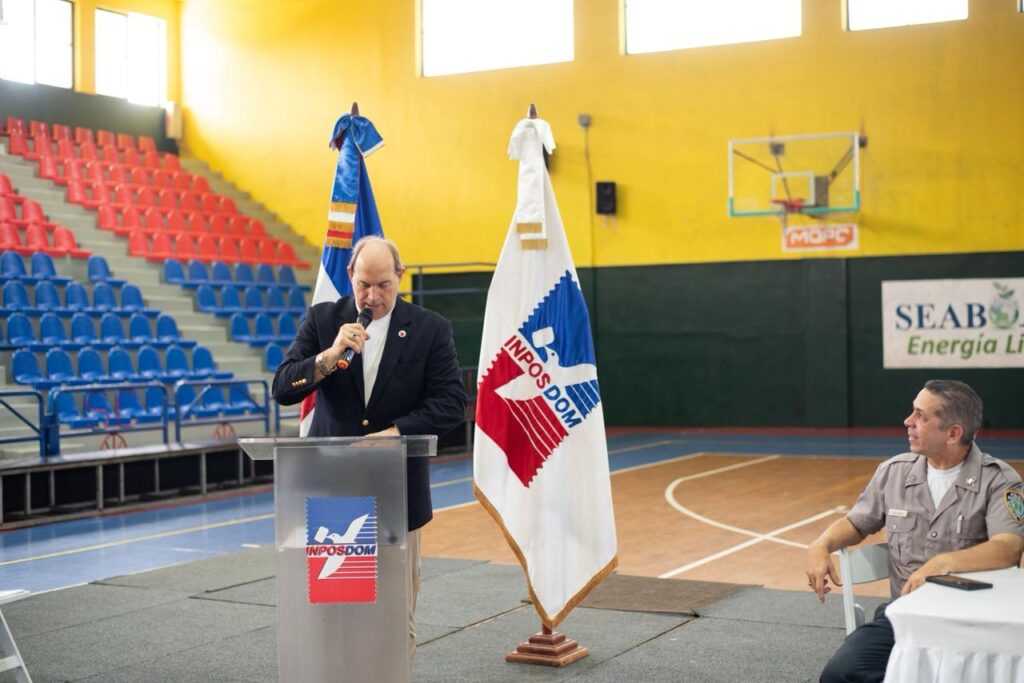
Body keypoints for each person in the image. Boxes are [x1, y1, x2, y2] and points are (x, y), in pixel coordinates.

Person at [272, 235, 467, 663]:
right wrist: (329, 355)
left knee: (395, 616)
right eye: (364, 285)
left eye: (384, 285)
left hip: (397, 491)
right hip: (333, 492)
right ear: (349, 277)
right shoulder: (324, 319)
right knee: (336, 611)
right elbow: (283, 387)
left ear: (400, 277)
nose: (373, 297)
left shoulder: (431, 328)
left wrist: (394, 434)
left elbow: (452, 403)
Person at [806, 379, 1024, 683]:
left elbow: (1008, 548)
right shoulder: (893, 472)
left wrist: (939, 564)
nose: (908, 421)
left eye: (921, 415)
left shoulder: (999, 480)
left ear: (953, 433)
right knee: (840, 675)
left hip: (973, 622)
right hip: (905, 616)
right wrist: (821, 544)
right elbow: (856, 524)